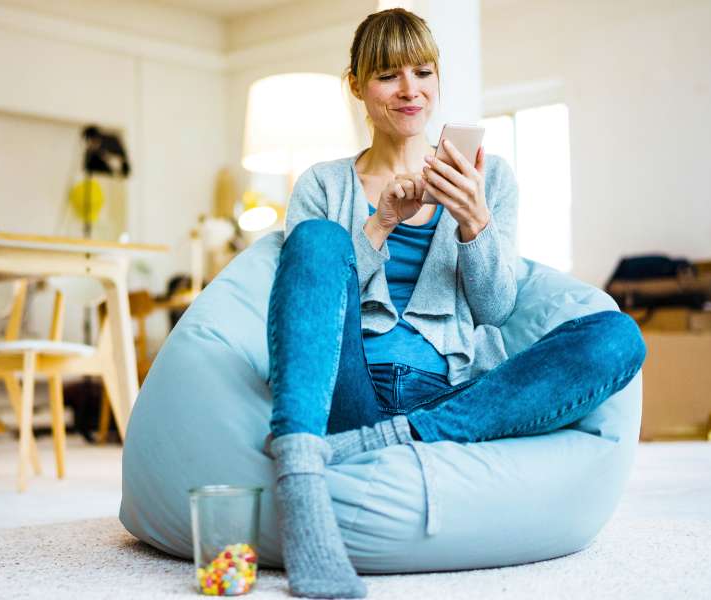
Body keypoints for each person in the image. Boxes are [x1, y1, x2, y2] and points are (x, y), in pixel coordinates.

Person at [263, 8, 647, 599]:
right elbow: (310, 299)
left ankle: (378, 444)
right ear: (358, 88)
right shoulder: (323, 183)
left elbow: (495, 309)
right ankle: (300, 478)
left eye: (423, 71)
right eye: (389, 74)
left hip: (452, 391)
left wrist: (474, 220)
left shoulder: (490, 181)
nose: (410, 89)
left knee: (618, 337)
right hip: (349, 387)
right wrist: (381, 224)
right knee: (318, 239)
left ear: (438, 80)